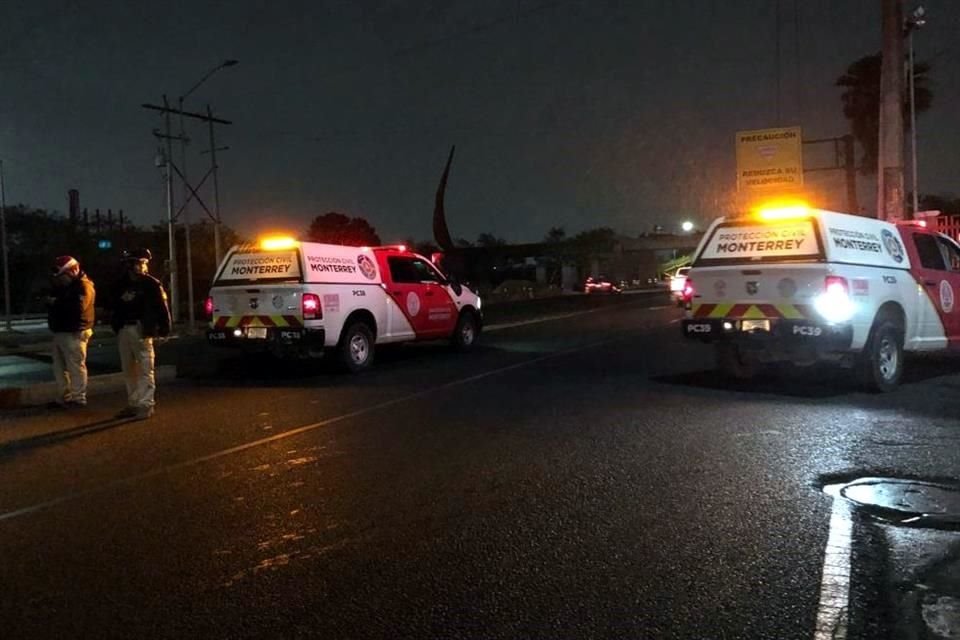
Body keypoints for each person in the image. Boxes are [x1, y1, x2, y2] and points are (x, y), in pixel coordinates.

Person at [110, 248, 171, 420]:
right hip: (124, 328)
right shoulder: (121, 284)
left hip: (141, 329)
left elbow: (161, 307)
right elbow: (113, 305)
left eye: (140, 263)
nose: (139, 266)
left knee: (145, 368)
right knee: (129, 369)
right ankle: (134, 403)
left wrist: (164, 328)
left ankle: (145, 404)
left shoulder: (151, 284)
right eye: (136, 263)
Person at [46, 256, 96, 408]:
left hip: (74, 331)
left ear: (72, 271)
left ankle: (78, 398)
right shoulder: (66, 287)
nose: (60, 279)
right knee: (60, 367)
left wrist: (56, 303)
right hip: (62, 330)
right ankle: (66, 396)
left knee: (75, 366)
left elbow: (77, 309)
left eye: (63, 276)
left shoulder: (83, 286)